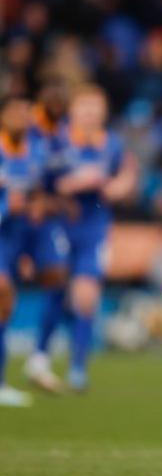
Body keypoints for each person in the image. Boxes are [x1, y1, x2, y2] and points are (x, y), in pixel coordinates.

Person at [50, 85, 138, 392]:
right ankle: (41, 354)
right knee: (58, 290)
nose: (89, 113)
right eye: (84, 106)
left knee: (86, 296)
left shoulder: (111, 144)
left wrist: (116, 187)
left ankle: (77, 368)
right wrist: (73, 183)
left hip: (94, 229)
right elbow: (43, 181)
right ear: (72, 110)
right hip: (58, 225)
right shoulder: (57, 140)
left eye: (95, 106)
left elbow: (128, 175)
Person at [0, 96, 69, 406]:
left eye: (26, 112)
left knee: (57, 275)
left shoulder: (37, 150)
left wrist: (41, 202)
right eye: (15, 112)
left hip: (27, 230)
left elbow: (41, 189)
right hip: (4, 231)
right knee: (2, 294)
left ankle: (39, 355)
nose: (22, 118)